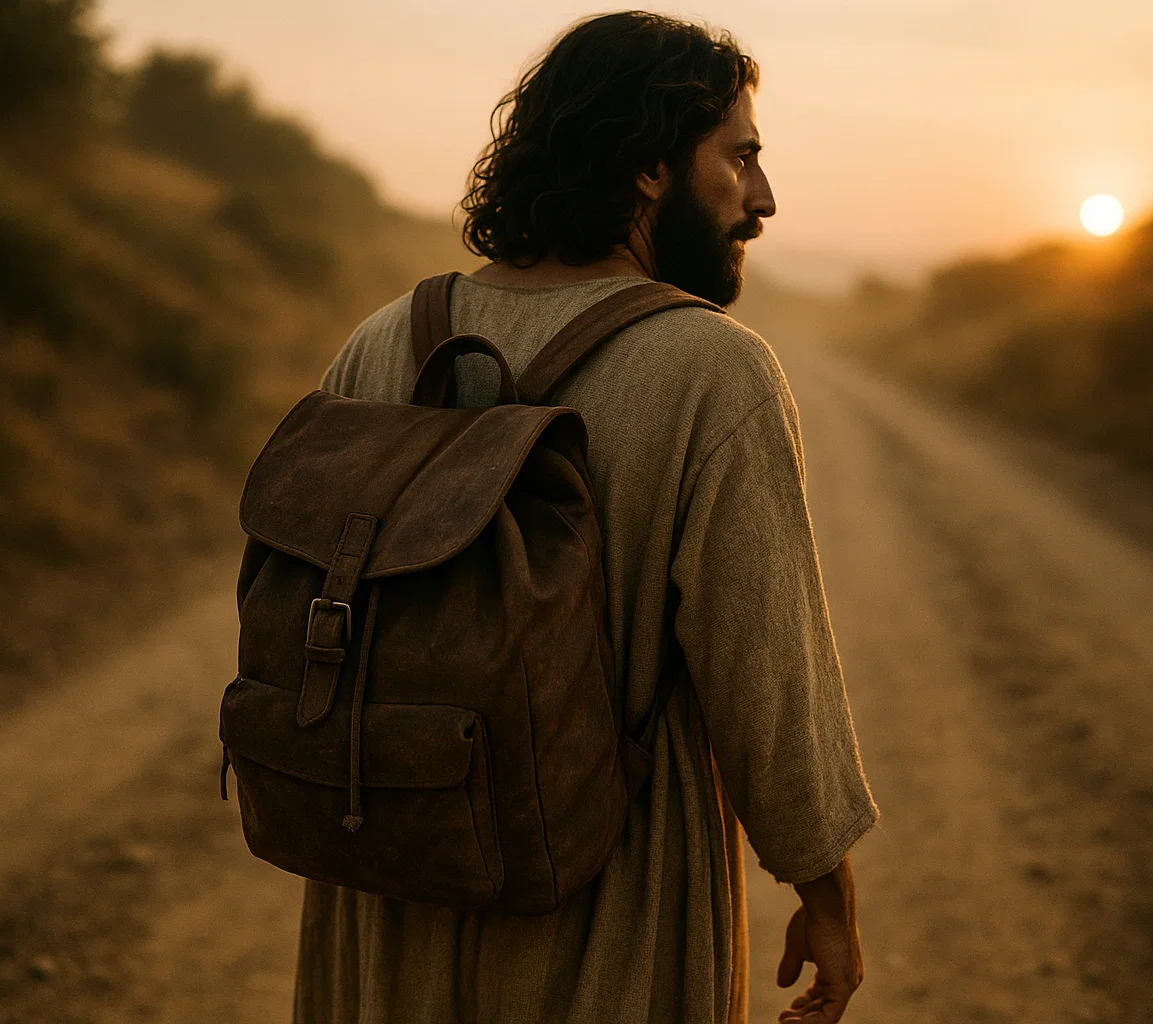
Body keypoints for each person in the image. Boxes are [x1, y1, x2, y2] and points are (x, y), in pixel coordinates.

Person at [297, 12, 877, 1024]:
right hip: (603, 898)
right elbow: (768, 682)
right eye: (740, 156)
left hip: (387, 885)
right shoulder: (711, 370)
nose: (763, 197)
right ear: (648, 168)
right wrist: (825, 893)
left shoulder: (379, 345)